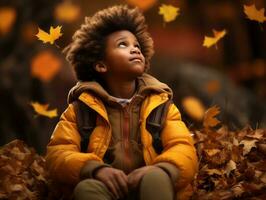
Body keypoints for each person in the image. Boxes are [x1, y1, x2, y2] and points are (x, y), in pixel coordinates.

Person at [45, 5, 198, 200]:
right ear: (101, 65)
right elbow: (58, 154)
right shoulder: (81, 110)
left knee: (156, 179)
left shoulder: (160, 105)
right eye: (122, 44)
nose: (135, 48)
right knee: (87, 189)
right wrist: (95, 170)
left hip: (150, 185)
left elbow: (183, 147)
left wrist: (162, 169)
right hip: (107, 187)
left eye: (137, 45)